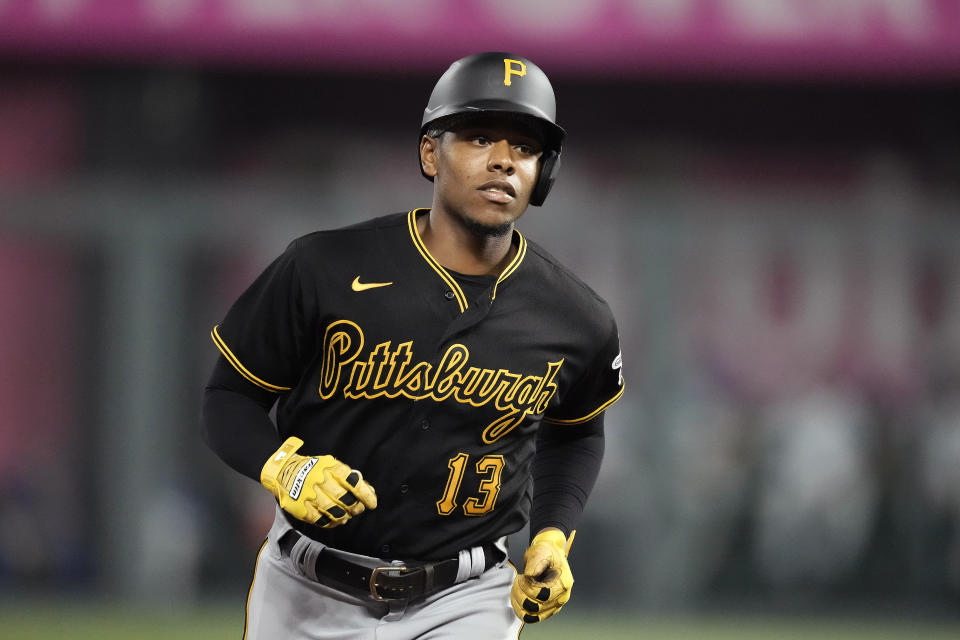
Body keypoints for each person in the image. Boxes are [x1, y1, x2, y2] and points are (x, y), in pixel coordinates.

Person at [201, 51, 624, 639]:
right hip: (305, 590)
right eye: (479, 137)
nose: (503, 161)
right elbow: (228, 396)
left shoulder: (576, 317)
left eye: (525, 148)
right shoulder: (323, 267)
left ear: (543, 173)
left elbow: (579, 430)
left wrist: (553, 533)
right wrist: (285, 469)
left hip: (467, 598)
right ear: (430, 151)